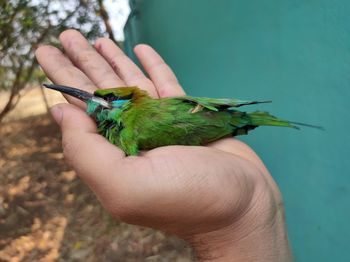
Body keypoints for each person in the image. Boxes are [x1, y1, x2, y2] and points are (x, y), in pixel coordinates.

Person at [35, 29, 292, 261]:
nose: (97, 101)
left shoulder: (138, 133)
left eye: (111, 99)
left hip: (217, 121)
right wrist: (241, 217)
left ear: (130, 103)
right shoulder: (139, 116)